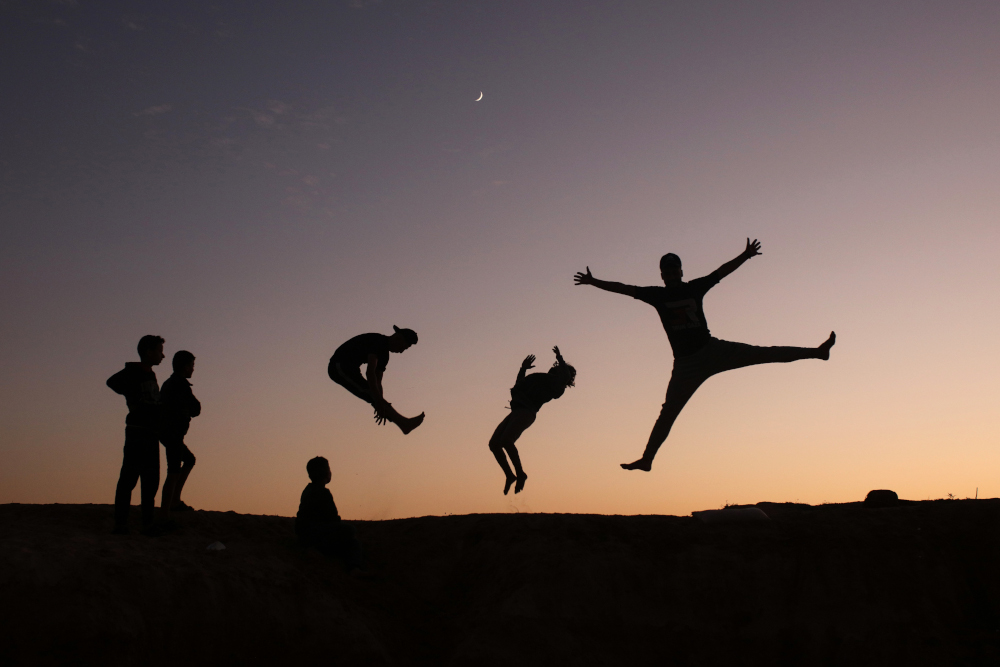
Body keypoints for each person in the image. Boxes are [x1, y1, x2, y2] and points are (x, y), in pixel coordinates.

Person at [574, 239, 835, 472]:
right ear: (662, 275)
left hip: (713, 351)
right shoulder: (656, 295)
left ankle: (817, 352)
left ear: (681, 271)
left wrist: (745, 256)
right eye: (667, 270)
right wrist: (593, 281)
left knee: (763, 354)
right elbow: (624, 288)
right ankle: (647, 460)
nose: (672, 273)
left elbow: (720, 272)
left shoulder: (694, 288)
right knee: (668, 412)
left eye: (675, 269)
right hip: (686, 365)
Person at [488, 346, 576, 495]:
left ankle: (520, 474)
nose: (553, 369)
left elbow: (565, 376)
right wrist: (523, 368)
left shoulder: (557, 387)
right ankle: (510, 475)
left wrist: (559, 357)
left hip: (526, 412)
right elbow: (519, 385)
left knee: (506, 441)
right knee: (494, 444)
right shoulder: (541, 379)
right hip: (517, 411)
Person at [107, 335, 165, 535]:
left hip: (151, 432)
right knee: (129, 478)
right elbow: (112, 382)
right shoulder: (133, 371)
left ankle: (147, 523)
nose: (162, 355)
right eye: (159, 351)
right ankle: (121, 523)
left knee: (151, 480)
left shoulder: (150, 374)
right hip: (137, 432)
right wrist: (134, 399)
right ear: (149, 352)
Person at [328, 326, 425, 434]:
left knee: (373, 394)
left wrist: (381, 404)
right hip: (339, 366)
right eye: (403, 348)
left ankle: (404, 424)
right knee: (370, 393)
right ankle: (404, 423)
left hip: (352, 369)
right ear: (398, 338)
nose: (401, 352)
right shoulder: (379, 342)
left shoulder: (384, 356)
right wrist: (378, 402)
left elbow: (378, 382)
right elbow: (370, 373)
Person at [295, 456, 364, 573]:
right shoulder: (323, 493)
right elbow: (333, 519)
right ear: (326, 473)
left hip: (307, 535)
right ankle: (354, 568)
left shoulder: (308, 490)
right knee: (350, 533)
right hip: (316, 536)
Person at [159, 350, 201, 517]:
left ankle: (174, 501)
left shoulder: (170, 383)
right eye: (191, 366)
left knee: (188, 460)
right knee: (174, 470)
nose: (193, 369)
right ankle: (165, 510)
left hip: (169, 432)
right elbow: (196, 408)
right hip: (173, 433)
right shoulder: (179, 384)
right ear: (185, 367)